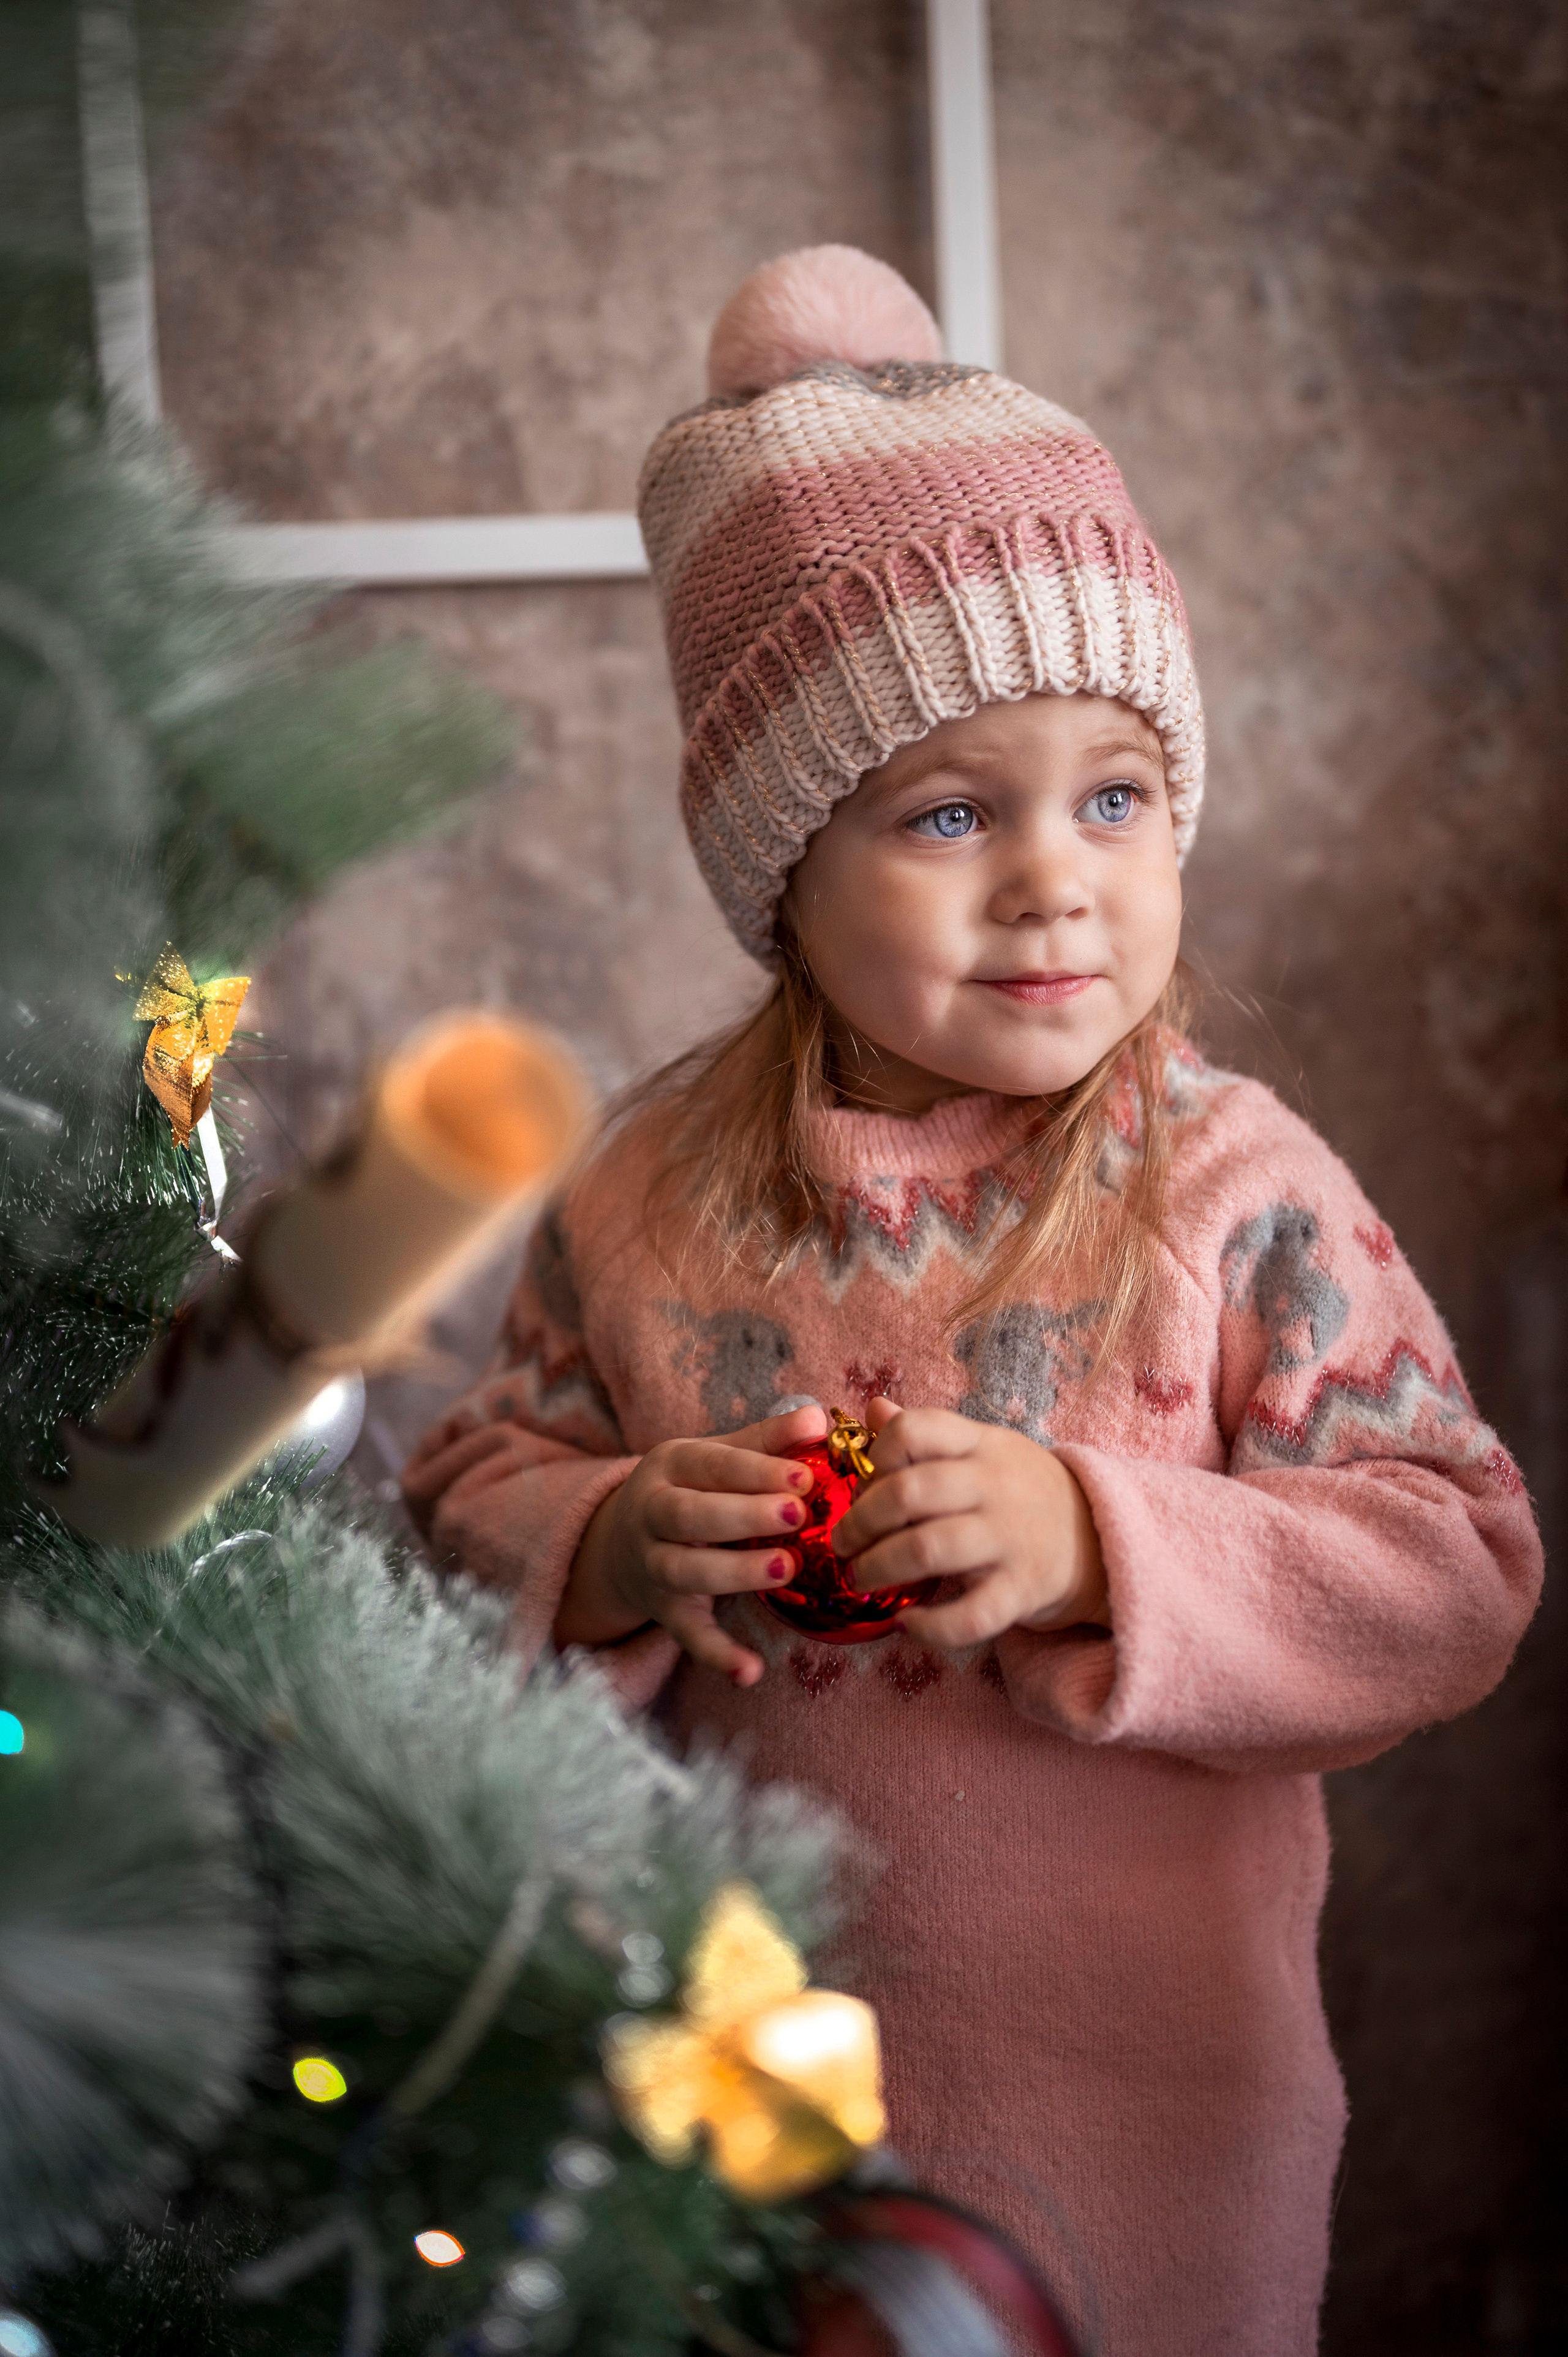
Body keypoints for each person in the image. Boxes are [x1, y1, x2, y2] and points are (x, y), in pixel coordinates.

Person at [404, 246, 1542, 2356]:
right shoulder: (652, 1197)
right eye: (951, 811)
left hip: (1159, 2118)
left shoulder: (1229, 1186)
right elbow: (472, 1479)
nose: (1058, 877)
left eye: (1116, 794)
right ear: (781, 865)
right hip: (758, 2097)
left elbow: (1453, 1562)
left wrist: (1099, 1540)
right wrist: (607, 1543)